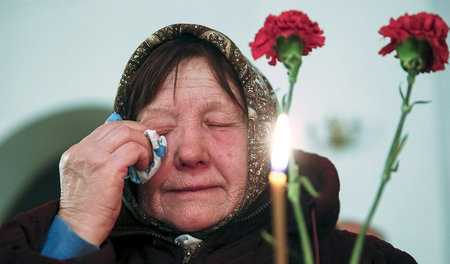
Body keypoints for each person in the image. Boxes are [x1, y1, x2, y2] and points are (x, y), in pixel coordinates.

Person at [0, 24, 417, 264]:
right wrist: (75, 230)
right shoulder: (28, 247)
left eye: (218, 124)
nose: (190, 153)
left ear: (259, 142)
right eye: (161, 130)